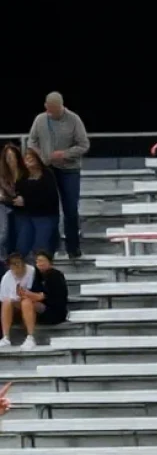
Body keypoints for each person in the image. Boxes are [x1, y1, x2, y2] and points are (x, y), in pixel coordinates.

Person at [27, 93, 89, 260]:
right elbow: (31, 142)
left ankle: (73, 248)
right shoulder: (40, 120)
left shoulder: (74, 120)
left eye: (53, 110)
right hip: (49, 171)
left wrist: (65, 154)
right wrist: (40, 155)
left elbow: (84, 145)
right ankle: (50, 249)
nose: (49, 112)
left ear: (60, 107)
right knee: (50, 210)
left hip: (69, 171)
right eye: (47, 108)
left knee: (70, 209)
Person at [13, 151, 59, 259]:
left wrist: (26, 201)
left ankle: (41, 272)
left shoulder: (47, 175)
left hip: (45, 215)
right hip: (26, 215)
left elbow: (49, 197)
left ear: (38, 160)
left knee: (40, 247)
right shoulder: (21, 176)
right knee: (22, 246)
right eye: (26, 159)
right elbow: (17, 194)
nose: (29, 161)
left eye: (31, 158)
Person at [0, 253, 38, 350]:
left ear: (24, 263)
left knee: (26, 302)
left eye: (18, 263)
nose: (16, 266)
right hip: (15, 307)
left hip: (34, 304)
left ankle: (30, 337)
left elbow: (36, 292)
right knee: (6, 302)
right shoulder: (6, 278)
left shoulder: (33, 272)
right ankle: (5, 337)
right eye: (13, 264)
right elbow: (3, 298)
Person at [20, 250, 67, 327]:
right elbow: (35, 291)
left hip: (55, 311)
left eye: (42, 261)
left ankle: (30, 333)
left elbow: (42, 296)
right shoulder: (38, 275)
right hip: (43, 307)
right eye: (37, 261)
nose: (39, 263)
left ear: (50, 262)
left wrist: (27, 294)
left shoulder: (56, 275)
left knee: (27, 303)